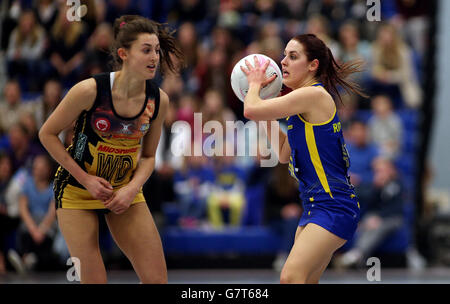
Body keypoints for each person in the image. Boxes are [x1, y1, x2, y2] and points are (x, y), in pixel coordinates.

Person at [38, 15, 183, 283]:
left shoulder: (158, 99)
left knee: (157, 281)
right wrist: (86, 180)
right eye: (147, 50)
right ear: (123, 54)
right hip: (76, 190)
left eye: (157, 51)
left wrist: (131, 189)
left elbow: (149, 157)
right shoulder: (90, 90)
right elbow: (46, 134)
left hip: (124, 190)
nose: (155, 57)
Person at [240, 33, 366, 283]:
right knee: (305, 281)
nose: (283, 61)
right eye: (284, 55)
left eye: (293, 56)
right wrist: (265, 104)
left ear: (313, 65)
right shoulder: (300, 107)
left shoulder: (314, 95)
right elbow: (284, 154)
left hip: (334, 206)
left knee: (290, 277)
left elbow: (250, 109)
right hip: (315, 206)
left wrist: (254, 84)